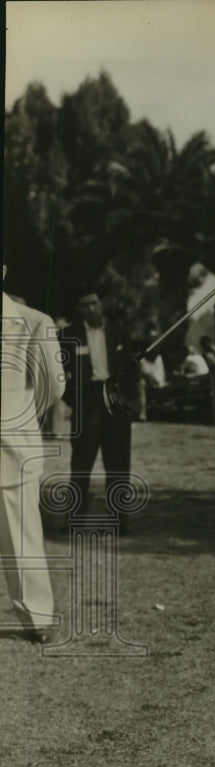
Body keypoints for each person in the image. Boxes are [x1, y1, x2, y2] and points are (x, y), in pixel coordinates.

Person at [1, 271, 66, 643]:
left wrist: (17, 419)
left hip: (11, 449)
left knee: (21, 540)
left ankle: (37, 618)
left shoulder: (34, 322)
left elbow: (53, 386)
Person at [61, 285, 140, 533]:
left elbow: (133, 369)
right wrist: (75, 400)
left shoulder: (119, 332)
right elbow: (59, 375)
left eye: (94, 303)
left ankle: (120, 519)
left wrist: (129, 402)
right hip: (87, 401)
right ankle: (75, 517)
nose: (91, 308)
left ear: (101, 304)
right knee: (81, 463)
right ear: (79, 309)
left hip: (115, 398)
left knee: (118, 463)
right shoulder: (68, 336)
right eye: (85, 305)